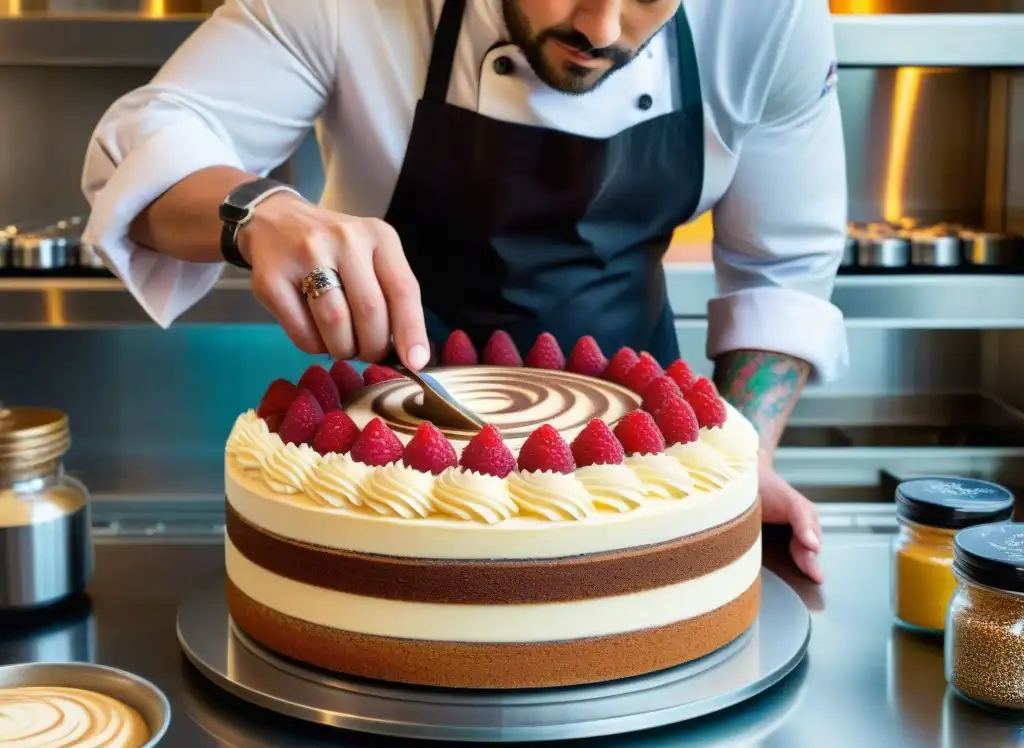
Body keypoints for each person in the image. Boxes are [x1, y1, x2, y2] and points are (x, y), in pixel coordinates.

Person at [81, 0, 849, 583]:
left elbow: (783, 269)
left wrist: (739, 462)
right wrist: (258, 211)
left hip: (638, 468)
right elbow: (147, 143)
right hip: (392, 462)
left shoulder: (769, 15)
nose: (603, 27)